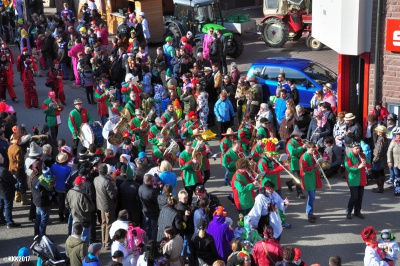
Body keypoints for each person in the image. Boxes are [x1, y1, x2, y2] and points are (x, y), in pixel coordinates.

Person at [93, 163, 118, 250]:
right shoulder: (107, 182)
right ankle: (107, 243)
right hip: (108, 206)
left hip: (100, 205)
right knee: (109, 224)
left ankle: (103, 241)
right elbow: (112, 195)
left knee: (103, 223)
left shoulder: (96, 179)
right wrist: (115, 186)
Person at [344, 142, 371, 219]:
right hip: (353, 179)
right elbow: (348, 167)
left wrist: (365, 163)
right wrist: (358, 166)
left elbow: (369, 164)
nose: (358, 150)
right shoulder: (348, 156)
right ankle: (348, 211)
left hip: (361, 178)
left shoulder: (362, 155)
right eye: (356, 148)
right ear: (352, 149)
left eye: (359, 148)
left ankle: (357, 211)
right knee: (354, 197)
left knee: (360, 197)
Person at [65, 176, 95, 243]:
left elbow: (67, 204)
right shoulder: (83, 194)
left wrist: (73, 210)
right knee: (84, 239)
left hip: (75, 218)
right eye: (83, 181)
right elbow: (89, 208)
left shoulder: (70, 191)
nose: (84, 182)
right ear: (81, 184)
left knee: (75, 237)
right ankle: (84, 251)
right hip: (84, 219)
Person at [299, 141, 323, 223]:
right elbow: (305, 170)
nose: (314, 152)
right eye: (312, 150)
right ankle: (309, 214)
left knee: (311, 197)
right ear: (308, 148)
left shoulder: (312, 155)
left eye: (314, 150)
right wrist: (314, 166)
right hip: (308, 179)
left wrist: (317, 161)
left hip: (313, 178)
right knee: (312, 197)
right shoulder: (304, 157)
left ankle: (309, 212)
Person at [32, 167, 56, 238]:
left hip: (37, 201)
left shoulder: (35, 178)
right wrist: (50, 193)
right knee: (44, 218)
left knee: (38, 217)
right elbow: (43, 192)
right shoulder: (42, 181)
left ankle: (36, 233)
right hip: (43, 202)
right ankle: (42, 234)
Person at [138, 174, 159, 240]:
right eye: (153, 181)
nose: (154, 182)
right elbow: (157, 201)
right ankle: (153, 242)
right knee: (154, 228)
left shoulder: (140, 187)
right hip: (153, 213)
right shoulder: (152, 192)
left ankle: (147, 241)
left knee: (147, 228)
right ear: (148, 182)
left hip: (145, 211)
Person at [0, 158, 20, 228]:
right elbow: (12, 180)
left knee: (1, 206)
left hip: (1, 191)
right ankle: (9, 222)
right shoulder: (3, 171)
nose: (3, 159)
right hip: (6, 191)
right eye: (2, 158)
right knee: (8, 207)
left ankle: (1, 220)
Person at [51, 152, 71, 222]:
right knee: (66, 202)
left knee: (60, 201)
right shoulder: (68, 168)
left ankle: (60, 214)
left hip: (57, 187)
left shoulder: (53, 166)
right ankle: (66, 214)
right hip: (66, 188)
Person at [371, 125, 389, 193]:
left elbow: (378, 151)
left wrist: (374, 160)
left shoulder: (380, 140)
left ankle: (380, 188)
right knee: (381, 172)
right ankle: (381, 187)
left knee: (376, 172)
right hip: (383, 158)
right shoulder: (385, 139)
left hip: (378, 159)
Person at [387, 127, 400, 196]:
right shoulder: (394, 141)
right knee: (397, 177)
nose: (397, 135)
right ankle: (397, 190)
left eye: (399, 134)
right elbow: (389, 151)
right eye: (397, 134)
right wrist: (390, 161)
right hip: (396, 163)